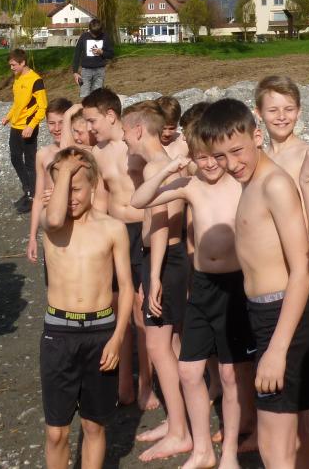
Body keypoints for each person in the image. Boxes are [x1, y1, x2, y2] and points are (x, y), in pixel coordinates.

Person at [196, 98, 309, 469]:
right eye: (220, 156)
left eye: (237, 151)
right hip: (264, 314)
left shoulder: (274, 185)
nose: (231, 163)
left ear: (256, 136)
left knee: (273, 447)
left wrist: (277, 349)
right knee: (297, 439)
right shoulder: (249, 182)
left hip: (283, 317)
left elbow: (301, 269)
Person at [131, 107, 259, 469]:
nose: (210, 164)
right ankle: (202, 450)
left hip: (235, 287)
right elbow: (139, 200)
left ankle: (229, 451)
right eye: (201, 158)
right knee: (189, 371)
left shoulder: (240, 183)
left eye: (215, 156)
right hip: (202, 285)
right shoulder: (190, 185)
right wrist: (170, 169)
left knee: (231, 375)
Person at [39, 147, 133, 469]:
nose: (70, 199)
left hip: (100, 332)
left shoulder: (112, 228)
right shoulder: (51, 222)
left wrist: (117, 339)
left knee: (94, 426)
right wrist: (65, 171)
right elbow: (54, 216)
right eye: (63, 189)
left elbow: (127, 288)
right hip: (59, 335)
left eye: (76, 189)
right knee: (56, 432)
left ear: (93, 186)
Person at [122, 102, 193, 462]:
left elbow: (160, 223)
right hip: (171, 259)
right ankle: (179, 419)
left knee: (157, 346)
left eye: (125, 132)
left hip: (164, 260)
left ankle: (180, 431)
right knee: (172, 343)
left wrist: (152, 276)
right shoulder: (163, 161)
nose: (124, 139)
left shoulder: (154, 166)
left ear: (137, 129)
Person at [81, 87, 153, 409]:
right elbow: (100, 199)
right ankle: (124, 380)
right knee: (115, 305)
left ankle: (146, 382)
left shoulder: (133, 144)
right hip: (115, 231)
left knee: (140, 308)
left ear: (111, 115)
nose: (89, 127)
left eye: (92, 120)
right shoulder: (98, 153)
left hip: (141, 230)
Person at [255, 75, 309, 305]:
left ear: (299, 111)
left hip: (304, 263)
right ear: (259, 113)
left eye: (288, 109)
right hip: (267, 267)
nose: (281, 116)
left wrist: (302, 272)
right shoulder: (258, 158)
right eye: (273, 110)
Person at [27, 97, 75, 264]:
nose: (56, 128)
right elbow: (38, 197)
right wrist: (32, 237)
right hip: (52, 222)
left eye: (62, 123)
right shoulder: (43, 154)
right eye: (51, 123)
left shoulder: (79, 151)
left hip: (76, 221)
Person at [0, 49, 47, 212]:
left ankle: (33, 197)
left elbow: (43, 107)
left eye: (13, 65)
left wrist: (32, 125)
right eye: (10, 65)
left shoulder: (36, 80)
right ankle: (28, 190)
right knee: (14, 158)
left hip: (28, 128)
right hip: (15, 126)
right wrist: (8, 117)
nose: (11, 68)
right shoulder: (17, 77)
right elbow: (17, 103)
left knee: (30, 163)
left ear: (23, 63)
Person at [72, 17, 113, 98]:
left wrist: (102, 52)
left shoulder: (105, 37)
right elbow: (77, 53)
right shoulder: (84, 36)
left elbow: (111, 54)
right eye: (92, 34)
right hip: (86, 71)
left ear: (101, 31)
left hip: (100, 71)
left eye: (97, 34)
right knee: (85, 96)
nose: (94, 36)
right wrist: (75, 72)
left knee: (97, 97)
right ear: (89, 30)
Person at [155, 95, 188, 160]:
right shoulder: (144, 144)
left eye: (172, 128)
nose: (167, 133)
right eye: (163, 128)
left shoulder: (185, 143)